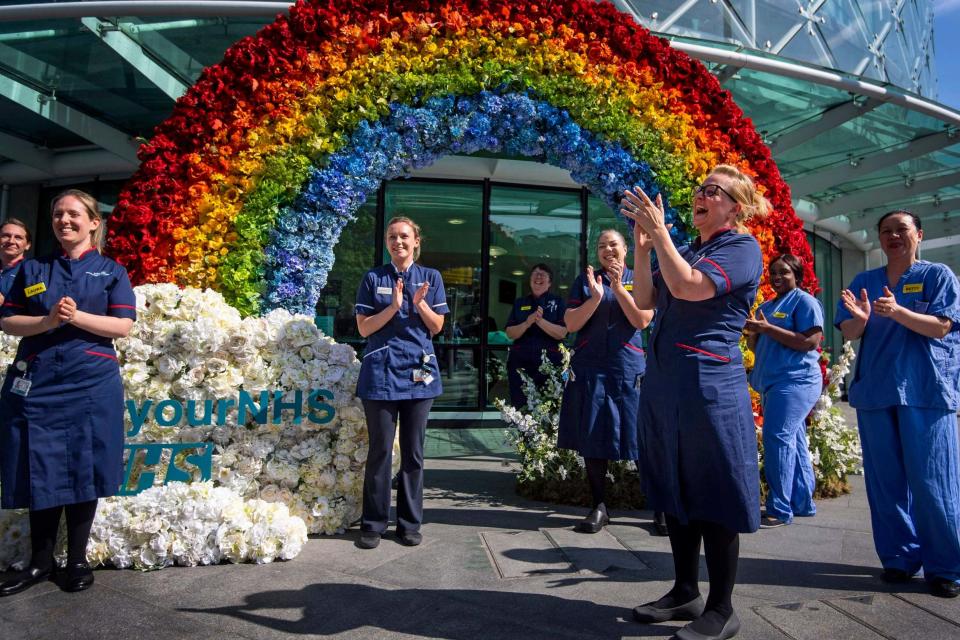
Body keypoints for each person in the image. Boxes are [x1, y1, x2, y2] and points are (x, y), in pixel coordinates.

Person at [623, 164, 767, 640]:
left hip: (709, 385)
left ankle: (722, 609)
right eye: (699, 188)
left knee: (715, 488)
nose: (700, 195)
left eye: (713, 190)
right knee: (675, 486)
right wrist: (644, 251)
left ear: (735, 207)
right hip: (667, 382)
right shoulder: (685, 250)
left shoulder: (741, 248)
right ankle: (685, 590)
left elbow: (689, 288)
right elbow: (645, 304)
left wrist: (661, 234)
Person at [0, 190, 136, 596]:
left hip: (91, 383)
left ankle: (75, 560)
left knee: (84, 465)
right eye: (58, 214)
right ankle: (39, 563)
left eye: (74, 214)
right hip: (38, 382)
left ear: (93, 222)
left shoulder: (111, 271)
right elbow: (7, 321)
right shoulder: (34, 267)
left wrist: (76, 317)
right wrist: (46, 321)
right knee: (38, 464)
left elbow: (122, 327)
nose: (64, 220)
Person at [836, 209, 960, 599]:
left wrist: (898, 312)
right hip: (876, 390)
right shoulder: (865, 282)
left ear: (918, 235)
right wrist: (863, 317)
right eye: (886, 231)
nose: (893, 236)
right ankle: (899, 558)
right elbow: (851, 331)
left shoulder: (937, 276)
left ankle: (946, 566)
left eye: (901, 230)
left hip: (926, 390)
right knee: (885, 482)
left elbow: (941, 326)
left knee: (933, 481)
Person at [354, 216, 448, 550]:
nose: (399, 242)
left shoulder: (431, 278)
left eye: (405, 236)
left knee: (413, 453)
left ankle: (409, 524)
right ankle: (374, 523)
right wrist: (393, 307)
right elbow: (364, 329)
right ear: (387, 242)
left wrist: (419, 303)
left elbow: (437, 327)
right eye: (393, 236)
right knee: (379, 451)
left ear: (416, 241)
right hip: (380, 374)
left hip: (418, 375)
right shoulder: (373, 277)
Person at [557, 230, 653, 534]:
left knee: (642, 439)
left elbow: (642, 320)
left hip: (628, 369)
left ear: (625, 249)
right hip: (591, 369)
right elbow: (570, 324)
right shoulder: (585, 281)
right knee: (593, 437)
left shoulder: (640, 278)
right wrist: (596, 297)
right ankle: (599, 506)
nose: (607, 249)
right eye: (601, 246)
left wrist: (617, 288)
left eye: (613, 244)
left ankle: (661, 508)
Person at [744, 254, 823, 529]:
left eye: (784, 273)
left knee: (777, 438)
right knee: (795, 441)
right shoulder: (767, 306)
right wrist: (755, 334)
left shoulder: (805, 302)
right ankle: (802, 502)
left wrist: (768, 328)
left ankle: (779, 508)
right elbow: (760, 349)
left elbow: (809, 342)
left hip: (796, 382)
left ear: (797, 275)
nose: (777, 277)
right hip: (773, 382)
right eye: (773, 273)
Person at [504, 263, 567, 409]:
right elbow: (509, 333)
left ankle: (546, 433)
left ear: (549, 282)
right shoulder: (520, 303)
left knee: (549, 407)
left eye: (543, 274)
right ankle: (522, 432)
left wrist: (539, 321)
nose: (538, 277)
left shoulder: (558, 302)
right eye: (535, 274)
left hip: (549, 366)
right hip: (520, 365)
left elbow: (562, 332)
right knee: (520, 406)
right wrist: (527, 322)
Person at [0, 218, 32, 306]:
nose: (11, 241)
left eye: (18, 238)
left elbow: (36, 297)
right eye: (5, 236)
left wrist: (5, 301)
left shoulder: (34, 271)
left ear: (28, 245)